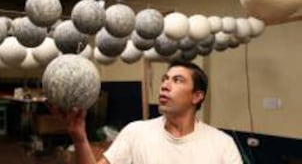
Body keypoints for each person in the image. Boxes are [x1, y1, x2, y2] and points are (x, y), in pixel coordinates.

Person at [50, 60, 243, 164]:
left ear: (197, 96)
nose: (165, 85)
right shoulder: (136, 132)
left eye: (177, 80)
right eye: (165, 79)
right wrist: (80, 138)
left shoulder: (221, 144)